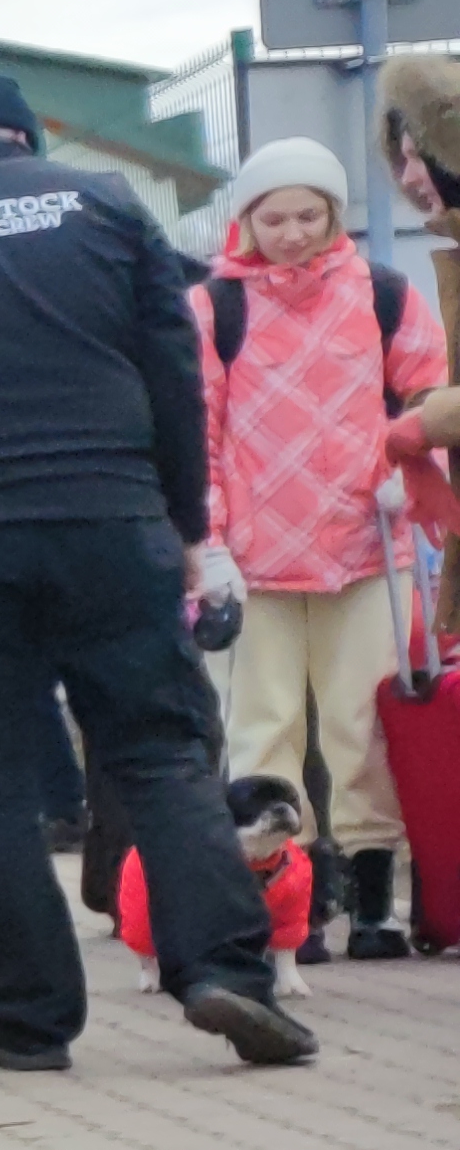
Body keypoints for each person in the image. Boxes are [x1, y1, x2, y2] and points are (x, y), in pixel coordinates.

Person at [0, 69, 312, 1070]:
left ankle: (25, 1020)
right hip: (110, 518)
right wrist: (181, 525)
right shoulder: (107, 206)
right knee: (161, 753)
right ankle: (228, 979)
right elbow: (174, 377)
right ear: (24, 138)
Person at [195, 138, 445, 957]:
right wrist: (209, 542)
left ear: (336, 214)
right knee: (262, 730)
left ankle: (372, 905)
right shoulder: (213, 309)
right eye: (275, 218)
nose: (293, 233)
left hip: (367, 546)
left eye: (311, 215)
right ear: (247, 220)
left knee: (361, 725)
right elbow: (198, 432)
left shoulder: (384, 295)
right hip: (257, 561)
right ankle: (282, 903)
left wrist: (409, 456)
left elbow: (430, 392)